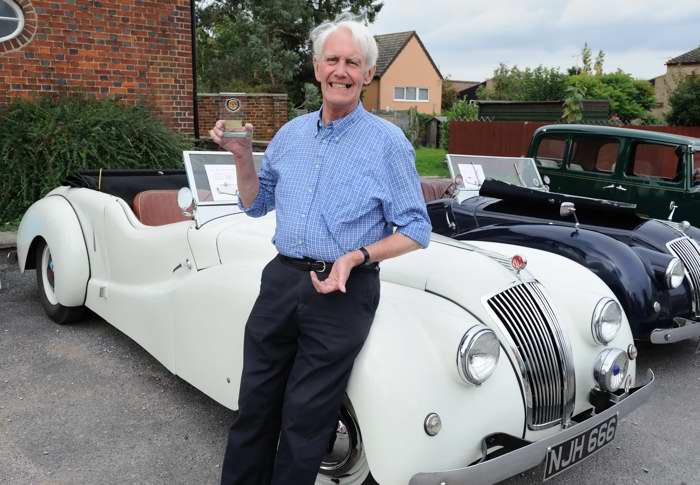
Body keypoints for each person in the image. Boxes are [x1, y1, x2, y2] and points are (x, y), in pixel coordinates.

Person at [209, 13, 431, 485]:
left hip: (343, 291)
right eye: (333, 59)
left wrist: (357, 256)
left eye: (353, 62)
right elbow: (254, 204)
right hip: (282, 281)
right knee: (254, 407)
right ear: (317, 68)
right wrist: (244, 159)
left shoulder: (388, 143)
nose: (341, 70)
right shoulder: (289, 136)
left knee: (306, 421)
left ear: (368, 75)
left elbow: (416, 228)